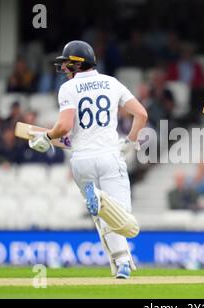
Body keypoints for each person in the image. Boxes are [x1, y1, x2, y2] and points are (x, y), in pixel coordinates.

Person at [27, 40, 148, 279]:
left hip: (81, 162)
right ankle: (102, 203)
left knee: (106, 217)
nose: (63, 69)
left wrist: (47, 138)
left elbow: (63, 128)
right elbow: (141, 114)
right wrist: (129, 142)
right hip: (110, 156)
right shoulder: (112, 83)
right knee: (126, 222)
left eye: (66, 64)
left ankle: (122, 263)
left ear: (77, 64)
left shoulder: (68, 89)